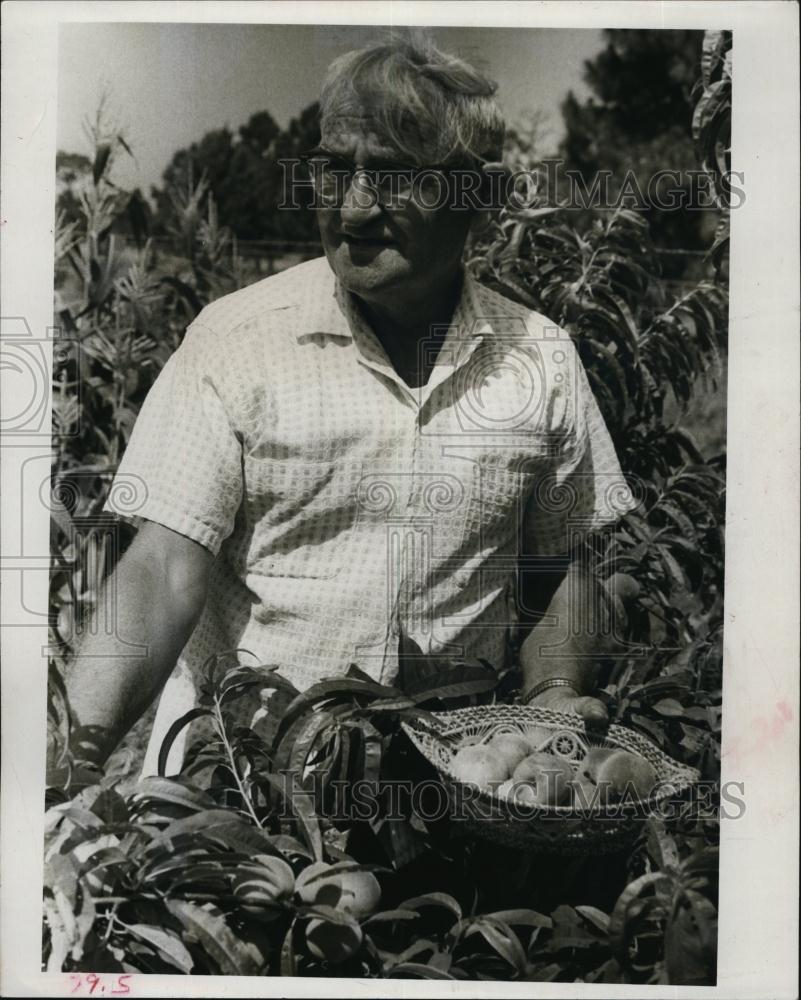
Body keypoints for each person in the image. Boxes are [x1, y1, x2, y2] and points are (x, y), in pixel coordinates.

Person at [66, 35, 636, 777]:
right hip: (237, 791)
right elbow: (163, 566)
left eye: (395, 175)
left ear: (481, 196)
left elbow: (561, 563)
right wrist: (70, 760)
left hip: (444, 787)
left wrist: (555, 690)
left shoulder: (540, 358)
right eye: (335, 169)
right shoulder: (239, 339)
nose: (354, 205)